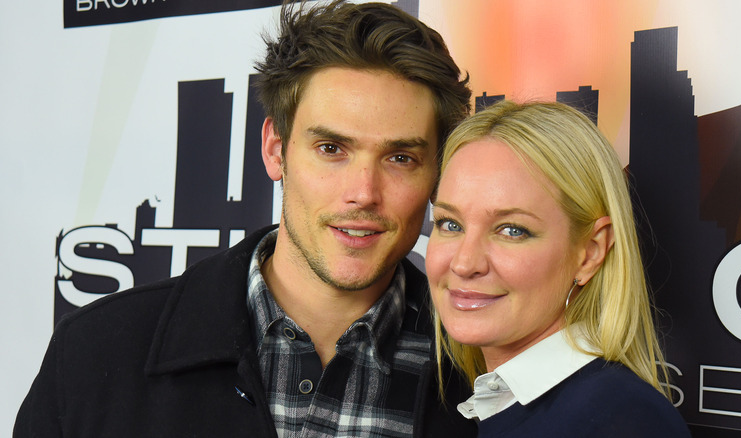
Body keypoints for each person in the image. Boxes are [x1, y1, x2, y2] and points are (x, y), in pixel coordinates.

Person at [14, 1, 475, 437]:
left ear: (437, 173)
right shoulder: (96, 351)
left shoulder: (484, 372)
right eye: (331, 149)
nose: (363, 193)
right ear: (276, 149)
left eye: (399, 158)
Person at [426, 100, 691, 437]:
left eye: (512, 230)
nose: (464, 263)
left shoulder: (624, 422)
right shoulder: (490, 404)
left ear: (590, 253)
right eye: (450, 224)